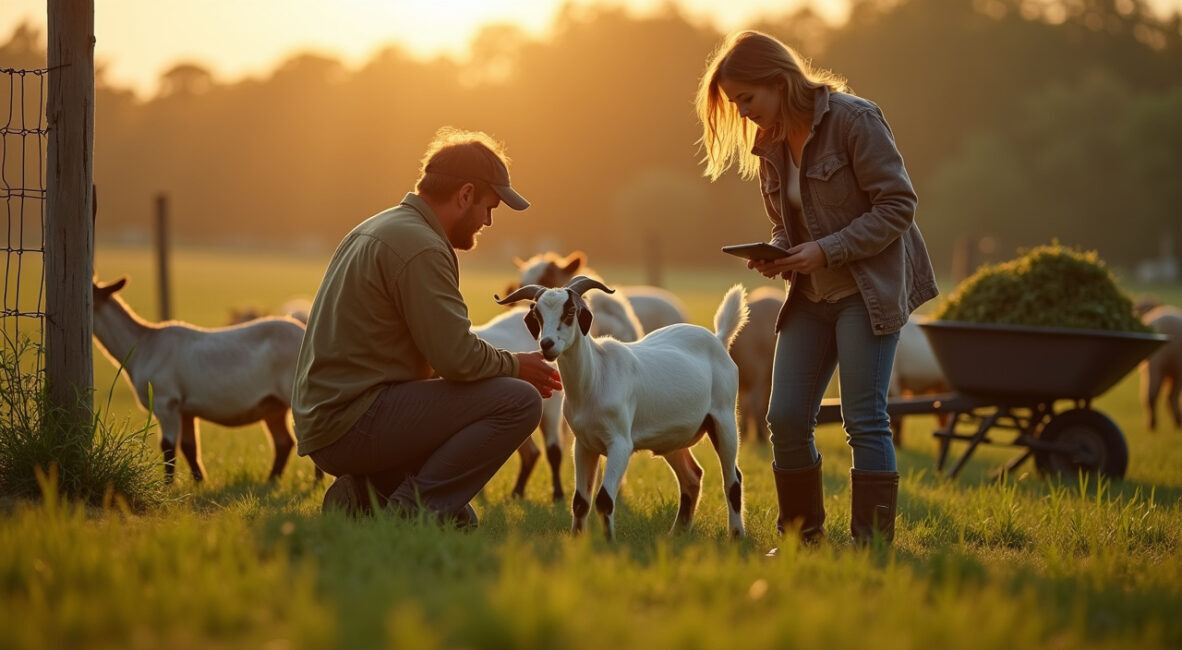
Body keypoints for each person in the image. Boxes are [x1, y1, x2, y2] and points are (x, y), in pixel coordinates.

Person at [695, 31, 938, 550]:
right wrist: (778, 250)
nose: (742, 114)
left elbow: (897, 205)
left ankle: (871, 546)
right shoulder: (771, 144)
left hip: (865, 292)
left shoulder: (856, 120)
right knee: (783, 416)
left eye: (746, 99)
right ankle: (804, 540)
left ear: (779, 81)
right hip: (810, 294)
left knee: (864, 417)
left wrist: (826, 250)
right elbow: (788, 223)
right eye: (735, 103)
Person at [292, 126, 563, 527]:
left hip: (332, 419)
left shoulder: (383, 226)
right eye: (489, 207)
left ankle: (364, 498)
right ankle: (405, 516)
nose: (488, 221)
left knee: (461, 521)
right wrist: (516, 365)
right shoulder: (421, 246)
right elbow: (455, 358)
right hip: (353, 421)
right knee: (519, 400)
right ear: (465, 194)